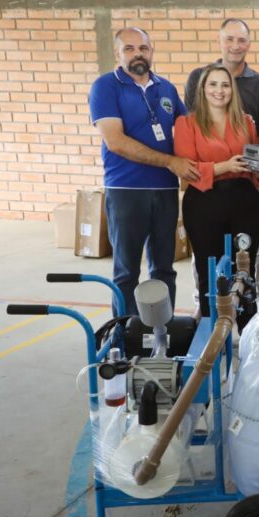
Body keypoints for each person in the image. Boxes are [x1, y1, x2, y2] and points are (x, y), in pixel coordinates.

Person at [89, 27, 193, 316]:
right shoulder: (105, 86)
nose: (138, 54)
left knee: (163, 269)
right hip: (126, 190)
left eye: (143, 48)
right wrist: (171, 162)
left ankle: (162, 332)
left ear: (152, 50)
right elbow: (116, 141)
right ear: (117, 53)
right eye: (129, 49)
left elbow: (189, 130)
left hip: (165, 190)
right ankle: (125, 334)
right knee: (126, 271)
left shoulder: (166, 88)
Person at [184, 18, 259, 294]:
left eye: (241, 40)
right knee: (205, 254)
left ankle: (253, 302)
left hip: (246, 187)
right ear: (220, 41)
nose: (235, 46)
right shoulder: (196, 78)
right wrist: (222, 166)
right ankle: (206, 306)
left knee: (254, 247)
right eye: (229, 39)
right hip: (207, 191)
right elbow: (194, 130)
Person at [174, 64, 259, 330]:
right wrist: (224, 167)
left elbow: (254, 166)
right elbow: (187, 170)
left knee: (244, 269)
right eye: (212, 84)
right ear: (202, 89)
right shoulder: (186, 124)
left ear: (232, 90)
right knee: (209, 269)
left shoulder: (245, 122)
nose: (219, 90)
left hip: (244, 201)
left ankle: (248, 334)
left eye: (225, 85)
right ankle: (211, 333)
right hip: (204, 202)